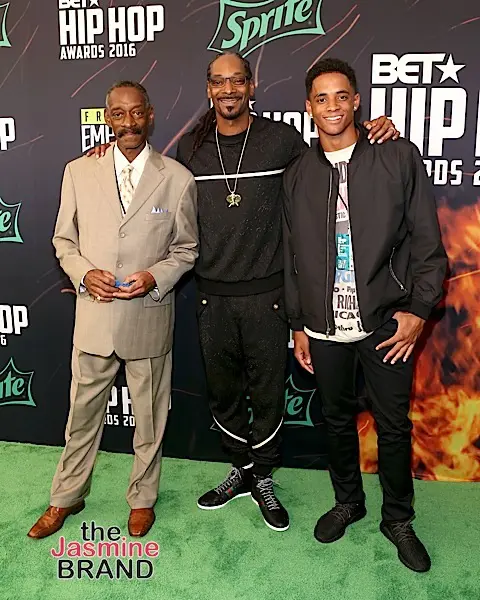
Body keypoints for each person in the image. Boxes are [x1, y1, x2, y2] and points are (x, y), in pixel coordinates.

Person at [89, 52, 399, 533]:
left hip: (268, 294)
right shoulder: (191, 147)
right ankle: (242, 469)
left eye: (237, 80)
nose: (228, 89)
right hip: (210, 296)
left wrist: (378, 129)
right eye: (219, 82)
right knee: (224, 394)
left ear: (252, 87)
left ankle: (264, 477)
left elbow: (336, 153)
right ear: (208, 89)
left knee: (268, 393)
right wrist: (107, 155)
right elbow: (151, 180)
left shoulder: (282, 140)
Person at [283, 58, 447, 570]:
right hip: (323, 326)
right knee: (336, 421)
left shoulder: (397, 156)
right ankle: (348, 502)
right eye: (321, 98)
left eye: (341, 96)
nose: (332, 106)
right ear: (309, 108)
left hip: (386, 323)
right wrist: (298, 324)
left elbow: (428, 243)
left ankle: (398, 518)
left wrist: (418, 310)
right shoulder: (298, 174)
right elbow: (290, 255)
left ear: (356, 101)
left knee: (393, 425)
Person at [27, 81, 198, 540]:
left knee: (150, 420)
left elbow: (186, 249)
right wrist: (84, 273)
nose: (128, 122)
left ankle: (142, 499)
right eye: (119, 114)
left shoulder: (177, 178)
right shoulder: (79, 172)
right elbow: (63, 241)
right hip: (95, 319)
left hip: (148, 318)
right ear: (108, 119)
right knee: (80, 418)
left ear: (150, 114)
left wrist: (154, 277)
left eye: (136, 112)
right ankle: (66, 495)